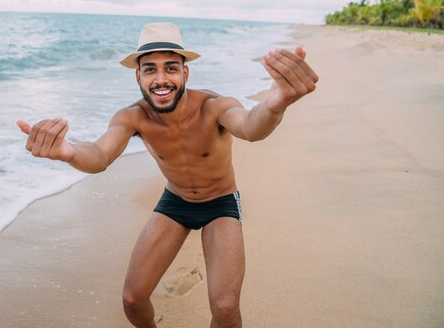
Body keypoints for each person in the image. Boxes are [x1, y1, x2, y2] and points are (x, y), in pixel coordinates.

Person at [17, 22, 318, 327]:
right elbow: (99, 155)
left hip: (221, 204)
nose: (161, 79)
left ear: (185, 73)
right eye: (150, 70)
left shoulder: (214, 107)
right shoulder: (132, 117)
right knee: (132, 300)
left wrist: (275, 105)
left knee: (225, 308)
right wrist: (68, 152)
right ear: (139, 76)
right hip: (176, 202)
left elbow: (252, 126)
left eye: (171, 68)